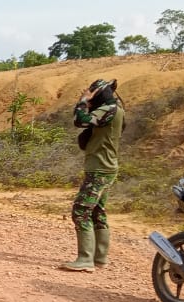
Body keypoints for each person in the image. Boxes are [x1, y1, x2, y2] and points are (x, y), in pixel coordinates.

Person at [61, 78, 125, 272]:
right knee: (97, 211)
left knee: (81, 211)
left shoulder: (109, 110)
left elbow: (80, 120)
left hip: (100, 169)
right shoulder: (115, 110)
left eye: (92, 93)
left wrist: (82, 101)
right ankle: (100, 257)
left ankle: (85, 259)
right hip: (105, 167)